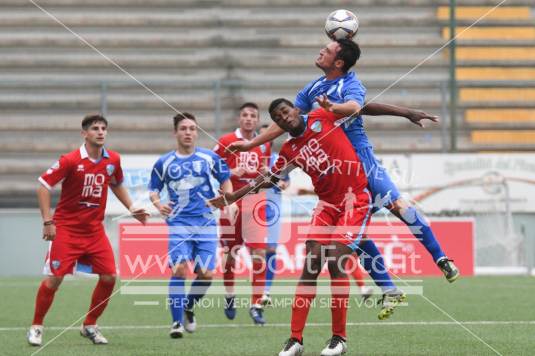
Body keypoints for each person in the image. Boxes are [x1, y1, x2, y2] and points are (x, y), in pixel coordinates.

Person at [228, 39, 460, 284]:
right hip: (338, 174)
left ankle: (440, 258)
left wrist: (338, 107)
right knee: (351, 233)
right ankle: (388, 289)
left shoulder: (351, 84)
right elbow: (285, 120)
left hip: (361, 160)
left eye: (327, 50)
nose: (320, 51)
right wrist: (251, 144)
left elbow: (357, 107)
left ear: (338, 62)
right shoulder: (311, 89)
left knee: (400, 207)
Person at [210, 98, 385, 356]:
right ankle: (295, 340)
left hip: (354, 200)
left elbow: (361, 107)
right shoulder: (290, 150)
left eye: (285, 111)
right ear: (277, 125)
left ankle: (339, 338)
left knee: (336, 261)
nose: (284, 118)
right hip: (326, 206)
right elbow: (269, 178)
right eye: (278, 118)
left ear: (295, 109)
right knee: (311, 265)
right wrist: (235, 196)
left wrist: (407, 113)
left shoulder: (323, 117)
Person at [27, 114, 148, 347]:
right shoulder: (70, 160)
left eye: (104, 128)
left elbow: (117, 183)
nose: (101, 132)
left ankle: (90, 325)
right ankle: (36, 326)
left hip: (94, 231)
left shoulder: (113, 159)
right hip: (66, 231)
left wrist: (132, 207)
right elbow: (43, 186)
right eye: (95, 128)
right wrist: (47, 221)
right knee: (54, 280)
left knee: (110, 276)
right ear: (85, 134)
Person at [149, 112, 232, 338]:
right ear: (175, 132)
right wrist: (158, 204)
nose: (188, 132)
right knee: (179, 269)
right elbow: (153, 189)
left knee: (206, 274)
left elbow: (225, 179)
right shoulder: (164, 162)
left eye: (192, 128)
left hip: (205, 222)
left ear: (197, 132)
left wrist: (226, 198)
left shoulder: (209, 158)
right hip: (178, 222)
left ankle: (187, 307)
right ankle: (176, 323)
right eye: (184, 128)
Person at [213, 102, 271, 324]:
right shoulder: (227, 141)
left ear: (257, 121)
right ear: (240, 119)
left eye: (253, 116)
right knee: (229, 255)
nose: (248, 118)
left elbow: (265, 174)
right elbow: (211, 165)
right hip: (232, 204)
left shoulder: (262, 144)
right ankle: (229, 295)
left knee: (259, 253)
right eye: (245, 115)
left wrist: (266, 174)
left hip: (256, 203)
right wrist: (229, 171)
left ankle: (256, 305)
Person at [257, 125, 290, 307]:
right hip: (253, 209)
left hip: (273, 209)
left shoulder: (279, 159)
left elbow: (285, 182)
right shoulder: (253, 157)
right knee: (253, 251)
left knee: (270, 250)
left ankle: (266, 291)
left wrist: (281, 183)